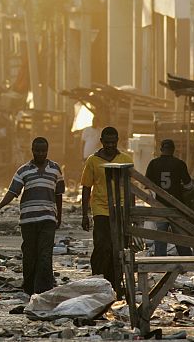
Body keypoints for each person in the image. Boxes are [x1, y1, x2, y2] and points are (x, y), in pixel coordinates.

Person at [0, 137, 64, 295]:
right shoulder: (24, 170)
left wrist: (59, 216)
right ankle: (29, 289)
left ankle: (43, 291)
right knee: (30, 256)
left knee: (45, 255)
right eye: (38, 150)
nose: (40, 154)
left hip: (48, 219)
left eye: (43, 151)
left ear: (47, 151)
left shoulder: (55, 169)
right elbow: (13, 192)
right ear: (32, 150)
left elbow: (59, 194)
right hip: (28, 220)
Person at [81, 126, 132, 294]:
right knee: (102, 245)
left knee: (118, 247)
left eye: (113, 142)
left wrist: (131, 212)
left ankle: (114, 283)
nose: (110, 145)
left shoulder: (125, 158)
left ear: (117, 141)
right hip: (100, 208)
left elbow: (130, 187)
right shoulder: (93, 160)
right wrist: (84, 214)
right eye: (107, 142)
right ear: (101, 142)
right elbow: (87, 187)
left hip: (120, 207)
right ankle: (98, 278)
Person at [145, 139, 194, 256]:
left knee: (161, 236)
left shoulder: (153, 163)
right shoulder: (179, 163)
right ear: (173, 150)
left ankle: (159, 261)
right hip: (176, 206)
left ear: (161, 149)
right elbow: (189, 185)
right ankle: (187, 260)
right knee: (180, 236)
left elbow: (147, 185)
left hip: (160, 206)